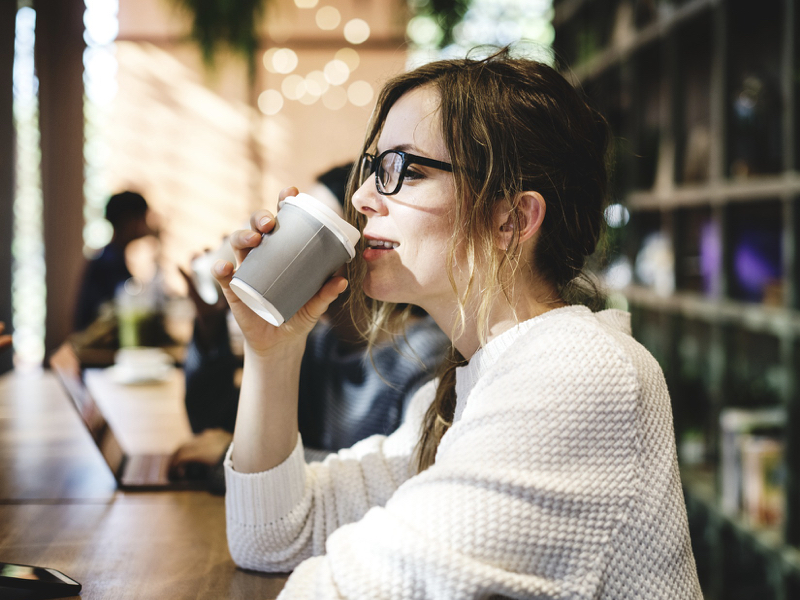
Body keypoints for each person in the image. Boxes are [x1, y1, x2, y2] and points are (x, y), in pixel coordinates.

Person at [215, 49, 702, 598]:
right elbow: (274, 537)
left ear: (510, 219)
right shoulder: (454, 399)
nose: (362, 196)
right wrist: (272, 354)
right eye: (374, 167)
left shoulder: (580, 374)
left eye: (405, 169)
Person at [169, 164, 449, 490]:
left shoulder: (424, 356)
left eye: (312, 227)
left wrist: (227, 459)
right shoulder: (318, 340)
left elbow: (403, 479)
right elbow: (212, 428)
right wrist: (211, 324)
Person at [73, 191, 152, 331]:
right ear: (129, 221)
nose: (146, 224)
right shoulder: (108, 265)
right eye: (143, 218)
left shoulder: (111, 258)